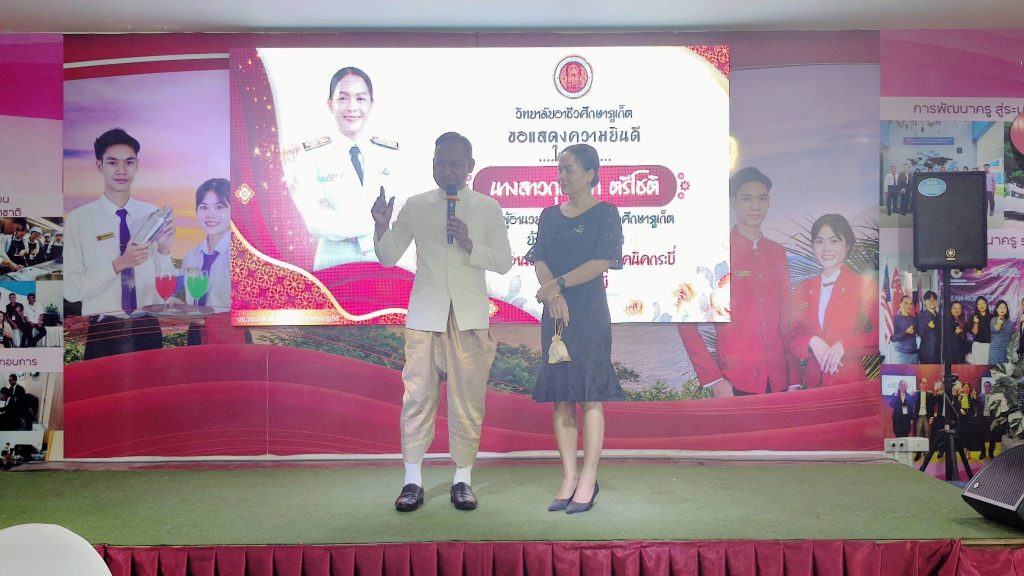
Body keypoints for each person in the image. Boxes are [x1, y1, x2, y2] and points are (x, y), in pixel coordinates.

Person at [372, 132, 512, 512]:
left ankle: (462, 480)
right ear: (432, 165)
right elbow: (387, 256)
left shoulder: (487, 208)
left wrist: (469, 243)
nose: (447, 170)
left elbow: (503, 262)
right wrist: (381, 226)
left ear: (470, 167)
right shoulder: (416, 206)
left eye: (454, 164)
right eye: (440, 163)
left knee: (468, 400)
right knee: (416, 398)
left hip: (469, 318)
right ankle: (412, 481)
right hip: (425, 316)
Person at [526, 144, 624, 515]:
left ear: (590, 174)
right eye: (560, 169)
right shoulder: (549, 215)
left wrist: (559, 285)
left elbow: (602, 261)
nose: (562, 176)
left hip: (589, 312)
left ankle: (589, 477)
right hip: (555, 312)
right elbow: (539, 258)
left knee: (589, 394)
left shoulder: (606, 213)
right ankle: (568, 476)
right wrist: (553, 295)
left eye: (569, 169)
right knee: (561, 395)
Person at [678, 167, 795, 396]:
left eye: (762, 198)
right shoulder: (714, 253)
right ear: (733, 202)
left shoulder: (777, 252)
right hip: (735, 382)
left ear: (768, 202)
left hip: (779, 380)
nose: (755, 206)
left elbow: (787, 319)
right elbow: (686, 323)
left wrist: (794, 379)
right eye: (746, 199)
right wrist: (714, 380)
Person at [64, 128, 176, 359]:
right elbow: (71, 290)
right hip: (104, 331)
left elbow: (164, 295)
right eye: (113, 162)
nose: (121, 170)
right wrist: (120, 264)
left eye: (129, 162)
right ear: (99, 165)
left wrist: (164, 251)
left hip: (148, 328)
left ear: (137, 165)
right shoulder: (79, 219)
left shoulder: (152, 215)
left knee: (151, 383)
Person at [288, 66, 400, 270]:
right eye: (343, 98)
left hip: (387, 261)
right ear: (330, 104)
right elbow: (317, 223)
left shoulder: (392, 154)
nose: (352, 107)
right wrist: (380, 222)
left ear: (371, 104)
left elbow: (404, 212)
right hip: (335, 263)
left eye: (360, 98)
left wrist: (342, 221)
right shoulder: (310, 156)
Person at [788, 214, 878, 387]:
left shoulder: (864, 285)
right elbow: (792, 338)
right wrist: (812, 341)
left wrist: (845, 345)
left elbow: (881, 336)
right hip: (813, 385)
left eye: (834, 241)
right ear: (813, 246)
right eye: (819, 241)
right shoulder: (803, 289)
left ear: (847, 245)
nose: (826, 248)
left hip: (850, 383)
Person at [182, 178, 232, 345]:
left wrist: (207, 321)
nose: (210, 215)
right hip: (195, 335)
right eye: (204, 207)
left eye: (219, 207)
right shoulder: (191, 256)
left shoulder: (241, 256)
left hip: (230, 337)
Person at [890, 295, 918, 364]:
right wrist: (906, 332)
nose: (909, 306)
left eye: (911, 304)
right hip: (902, 355)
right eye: (906, 303)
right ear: (900, 304)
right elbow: (892, 338)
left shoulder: (913, 319)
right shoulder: (895, 319)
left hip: (915, 354)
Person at [916, 291, 941, 364]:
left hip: (939, 352)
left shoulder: (940, 316)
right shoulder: (921, 316)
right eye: (929, 300)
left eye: (934, 300)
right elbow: (919, 332)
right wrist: (928, 327)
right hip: (927, 353)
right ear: (924, 301)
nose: (932, 302)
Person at [969, 296, 992, 365]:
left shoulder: (992, 317)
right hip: (977, 345)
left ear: (986, 304)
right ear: (976, 306)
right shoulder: (973, 317)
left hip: (989, 345)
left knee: (988, 366)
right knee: (978, 367)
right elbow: (975, 333)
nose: (981, 306)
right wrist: (976, 323)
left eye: (983, 303)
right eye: (979, 304)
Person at [988, 299, 1012, 365]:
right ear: (996, 310)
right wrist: (999, 323)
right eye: (1000, 308)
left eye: (1004, 308)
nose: (1002, 309)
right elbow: (996, 329)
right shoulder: (994, 320)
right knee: (996, 370)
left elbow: (1012, 336)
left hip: (1006, 352)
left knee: (1005, 371)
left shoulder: (1008, 322)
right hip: (996, 351)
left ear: (1007, 310)